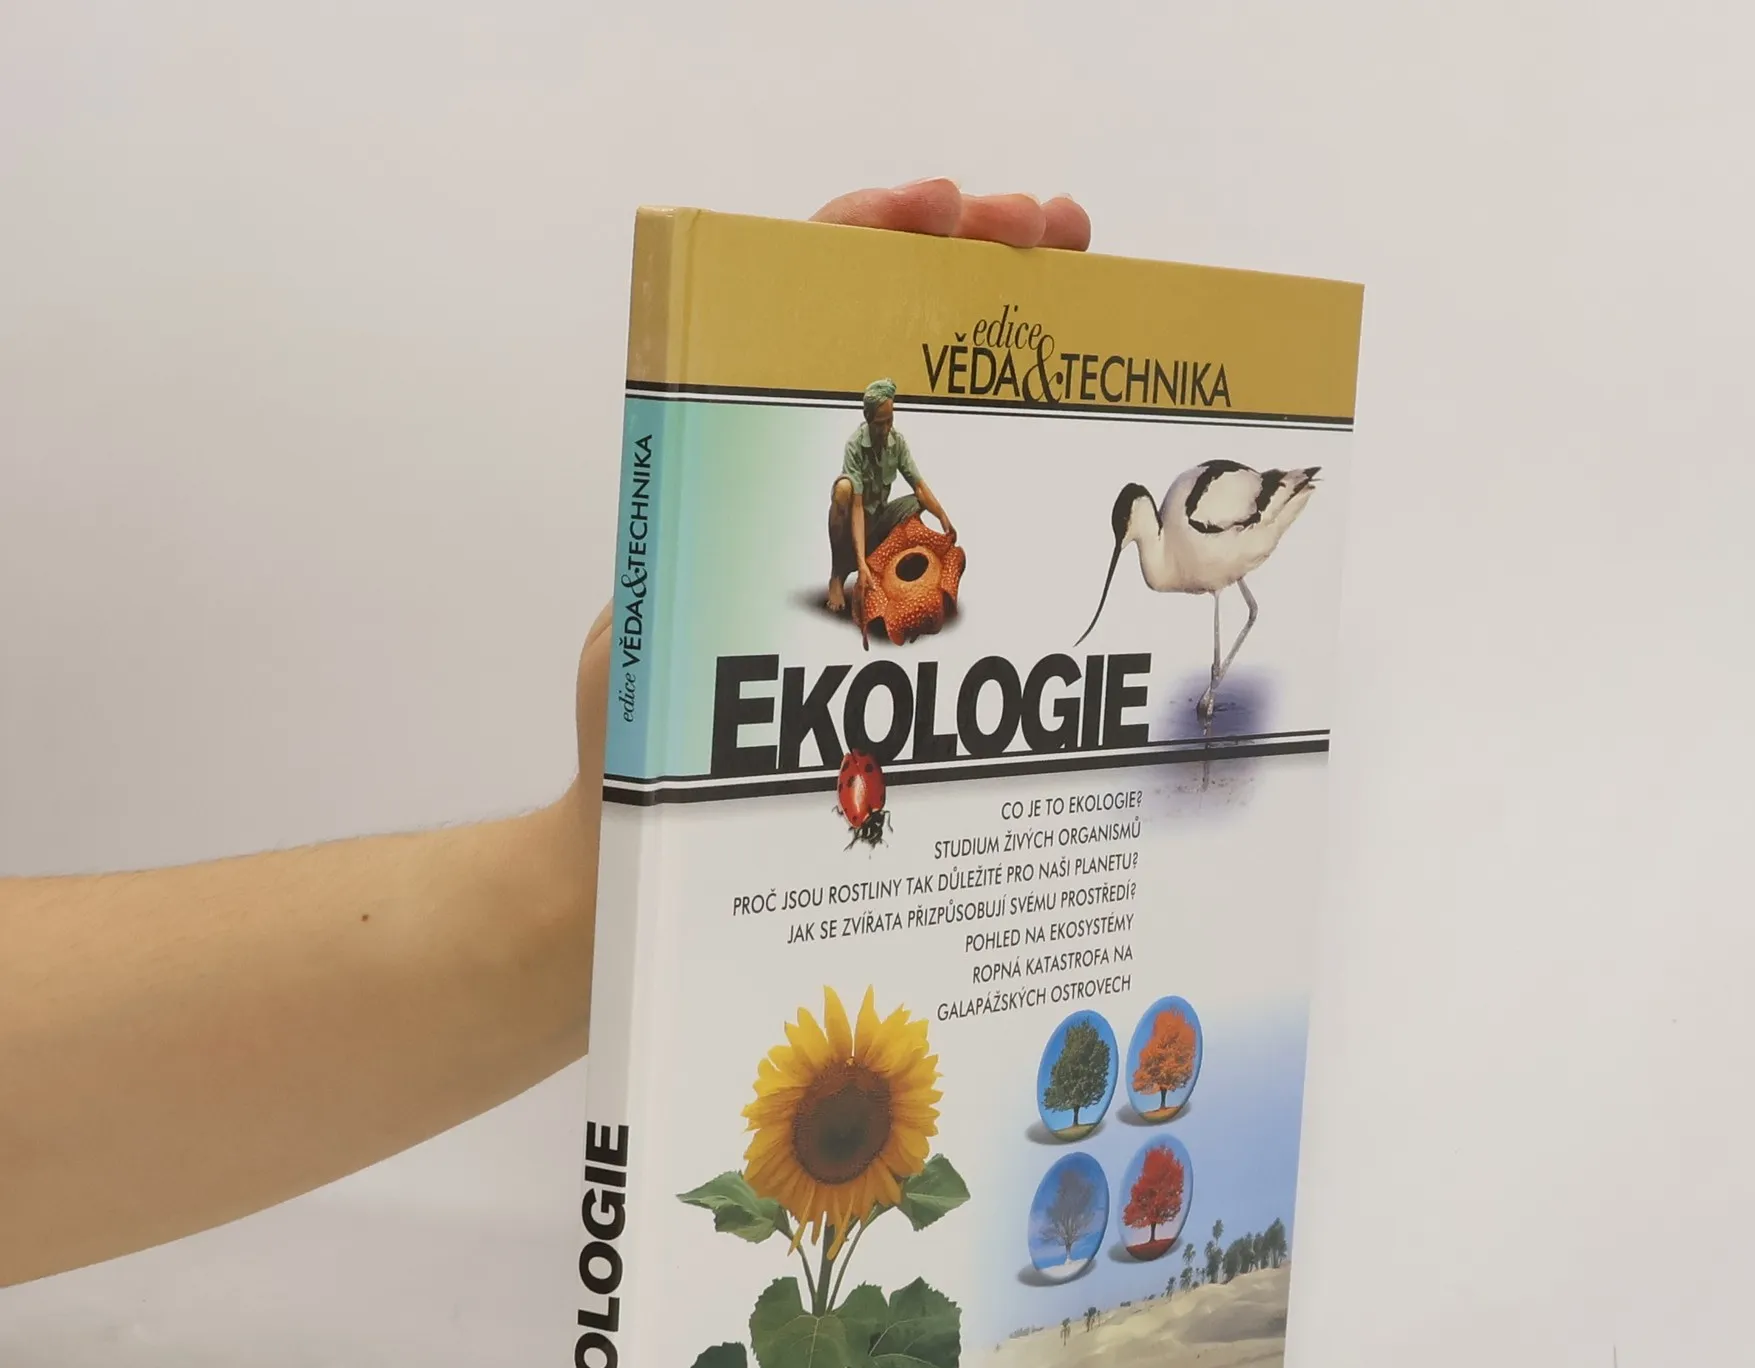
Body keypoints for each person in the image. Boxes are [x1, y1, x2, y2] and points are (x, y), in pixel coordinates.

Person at [0, 180, 1091, 1292]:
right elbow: (855, 507)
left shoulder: (896, 455)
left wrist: (616, 877)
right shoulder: (855, 460)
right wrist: (622, 870)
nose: (882, 423)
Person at [825, 378, 956, 617]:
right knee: (843, 489)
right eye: (879, 424)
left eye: (890, 421)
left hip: (880, 518)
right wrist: (860, 564)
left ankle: (885, 565)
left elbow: (919, 486)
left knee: (916, 502)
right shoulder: (855, 446)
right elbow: (857, 507)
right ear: (868, 419)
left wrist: (943, 517)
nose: (885, 429)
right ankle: (838, 575)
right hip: (857, 519)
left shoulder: (897, 442)